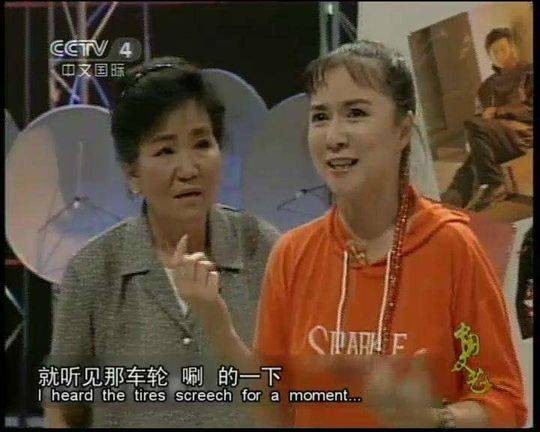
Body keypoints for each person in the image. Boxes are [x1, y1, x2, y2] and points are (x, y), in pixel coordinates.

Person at [169, 41, 526, 427]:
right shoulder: (293, 253)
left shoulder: (451, 246)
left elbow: (505, 402)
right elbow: (275, 411)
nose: (333, 137)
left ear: (403, 130)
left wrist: (435, 420)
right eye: (320, 117)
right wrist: (217, 326)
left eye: (355, 113)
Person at [44, 57, 280, 428]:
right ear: (132, 173)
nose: (188, 169)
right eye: (165, 151)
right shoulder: (93, 271)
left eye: (202, 144)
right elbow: (63, 408)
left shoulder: (264, 250)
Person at [441, 27, 533, 211]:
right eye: (494, 52)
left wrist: (499, 111)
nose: (500, 55)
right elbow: (479, 119)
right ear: (489, 57)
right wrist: (472, 137)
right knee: (477, 142)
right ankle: (454, 197)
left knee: (476, 131)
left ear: (513, 47)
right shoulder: (486, 87)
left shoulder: (529, 71)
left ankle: (492, 183)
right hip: (493, 138)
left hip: (523, 133)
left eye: (503, 49)